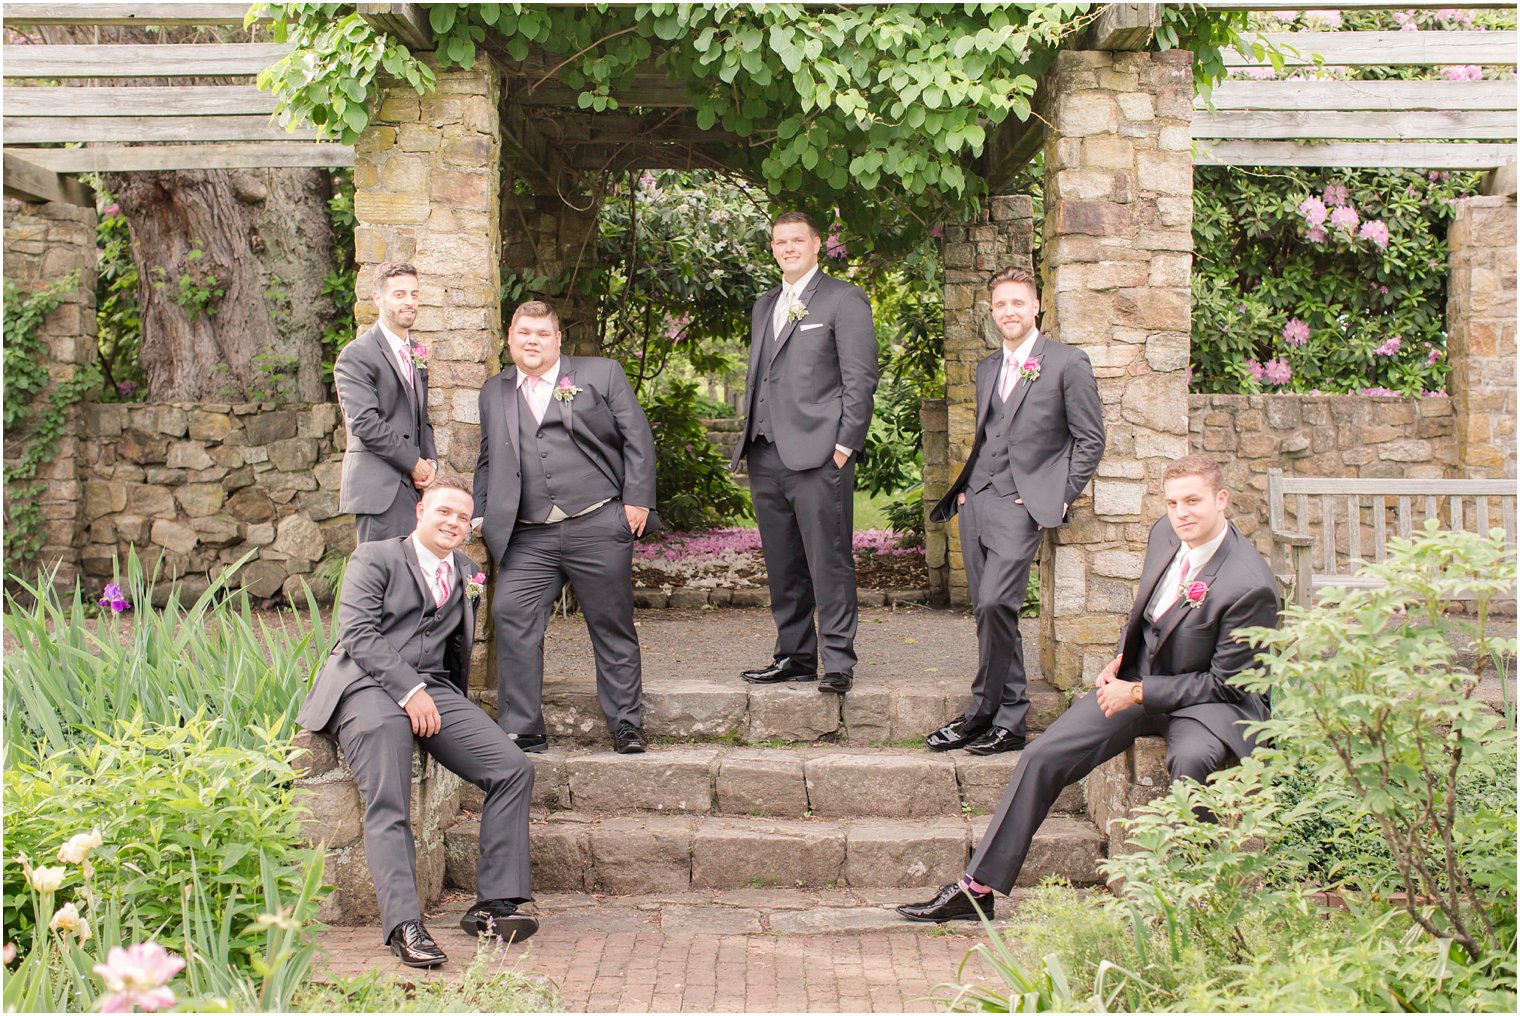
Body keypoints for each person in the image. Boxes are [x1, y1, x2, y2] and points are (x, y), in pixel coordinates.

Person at [897, 455, 1281, 922]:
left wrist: (1137, 694)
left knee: (1191, 762)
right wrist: (1121, 658)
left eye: (1193, 501)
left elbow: (1224, 683)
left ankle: (1190, 899)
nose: (1182, 512)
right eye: (1174, 501)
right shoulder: (1166, 533)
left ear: (1221, 500)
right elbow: (1145, 609)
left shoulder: (1249, 583)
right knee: (1042, 756)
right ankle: (976, 889)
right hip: (1141, 678)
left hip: (1210, 705)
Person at [295, 477, 537, 966]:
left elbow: (453, 651)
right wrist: (409, 691)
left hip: (433, 690)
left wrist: (444, 707)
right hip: (365, 685)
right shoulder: (375, 557)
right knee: (388, 796)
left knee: (513, 767)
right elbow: (357, 634)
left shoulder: (467, 571)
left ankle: (492, 905)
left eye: (462, 517)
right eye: (444, 511)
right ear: (420, 510)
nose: (453, 522)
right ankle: (405, 925)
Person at [922, 266, 1105, 755]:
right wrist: (965, 493)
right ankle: (1011, 721)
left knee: (996, 604)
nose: (1009, 312)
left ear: (1036, 306)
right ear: (992, 310)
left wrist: (1054, 496)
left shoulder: (1067, 363)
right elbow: (988, 435)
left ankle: (980, 713)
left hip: (1021, 506)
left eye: (1018, 303)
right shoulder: (986, 368)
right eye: (1001, 304)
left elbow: (1090, 440)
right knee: (990, 614)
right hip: (977, 501)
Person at [473, 300, 658, 755]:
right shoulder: (493, 391)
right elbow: (487, 458)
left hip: (597, 520)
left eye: (541, 334)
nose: (532, 340)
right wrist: (480, 510)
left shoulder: (601, 374)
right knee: (511, 614)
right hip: (529, 532)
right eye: (523, 333)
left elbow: (637, 436)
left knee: (610, 621)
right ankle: (523, 727)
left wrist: (635, 500)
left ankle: (626, 723)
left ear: (557, 340)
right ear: (510, 338)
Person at [731, 211, 879, 695]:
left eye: (797, 240)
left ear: (817, 245)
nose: (788, 247)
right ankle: (794, 656)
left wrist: (844, 445)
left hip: (820, 455)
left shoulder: (844, 300)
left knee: (829, 559)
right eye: (780, 241)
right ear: (773, 248)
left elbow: (860, 379)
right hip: (765, 452)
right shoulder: (764, 304)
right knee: (783, 561)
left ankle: (838, 661)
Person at [334, 262, 438, 542]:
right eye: (400, 294)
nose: (410, 302)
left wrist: (430, 464)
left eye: (414, 295)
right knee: (381, 577)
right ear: (378, 298)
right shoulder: (357, 355)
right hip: (380, 489)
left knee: (411, 578)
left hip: (413, 488)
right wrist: (413, 462)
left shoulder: (417, 352)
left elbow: (421, 417)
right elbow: (365, 423)